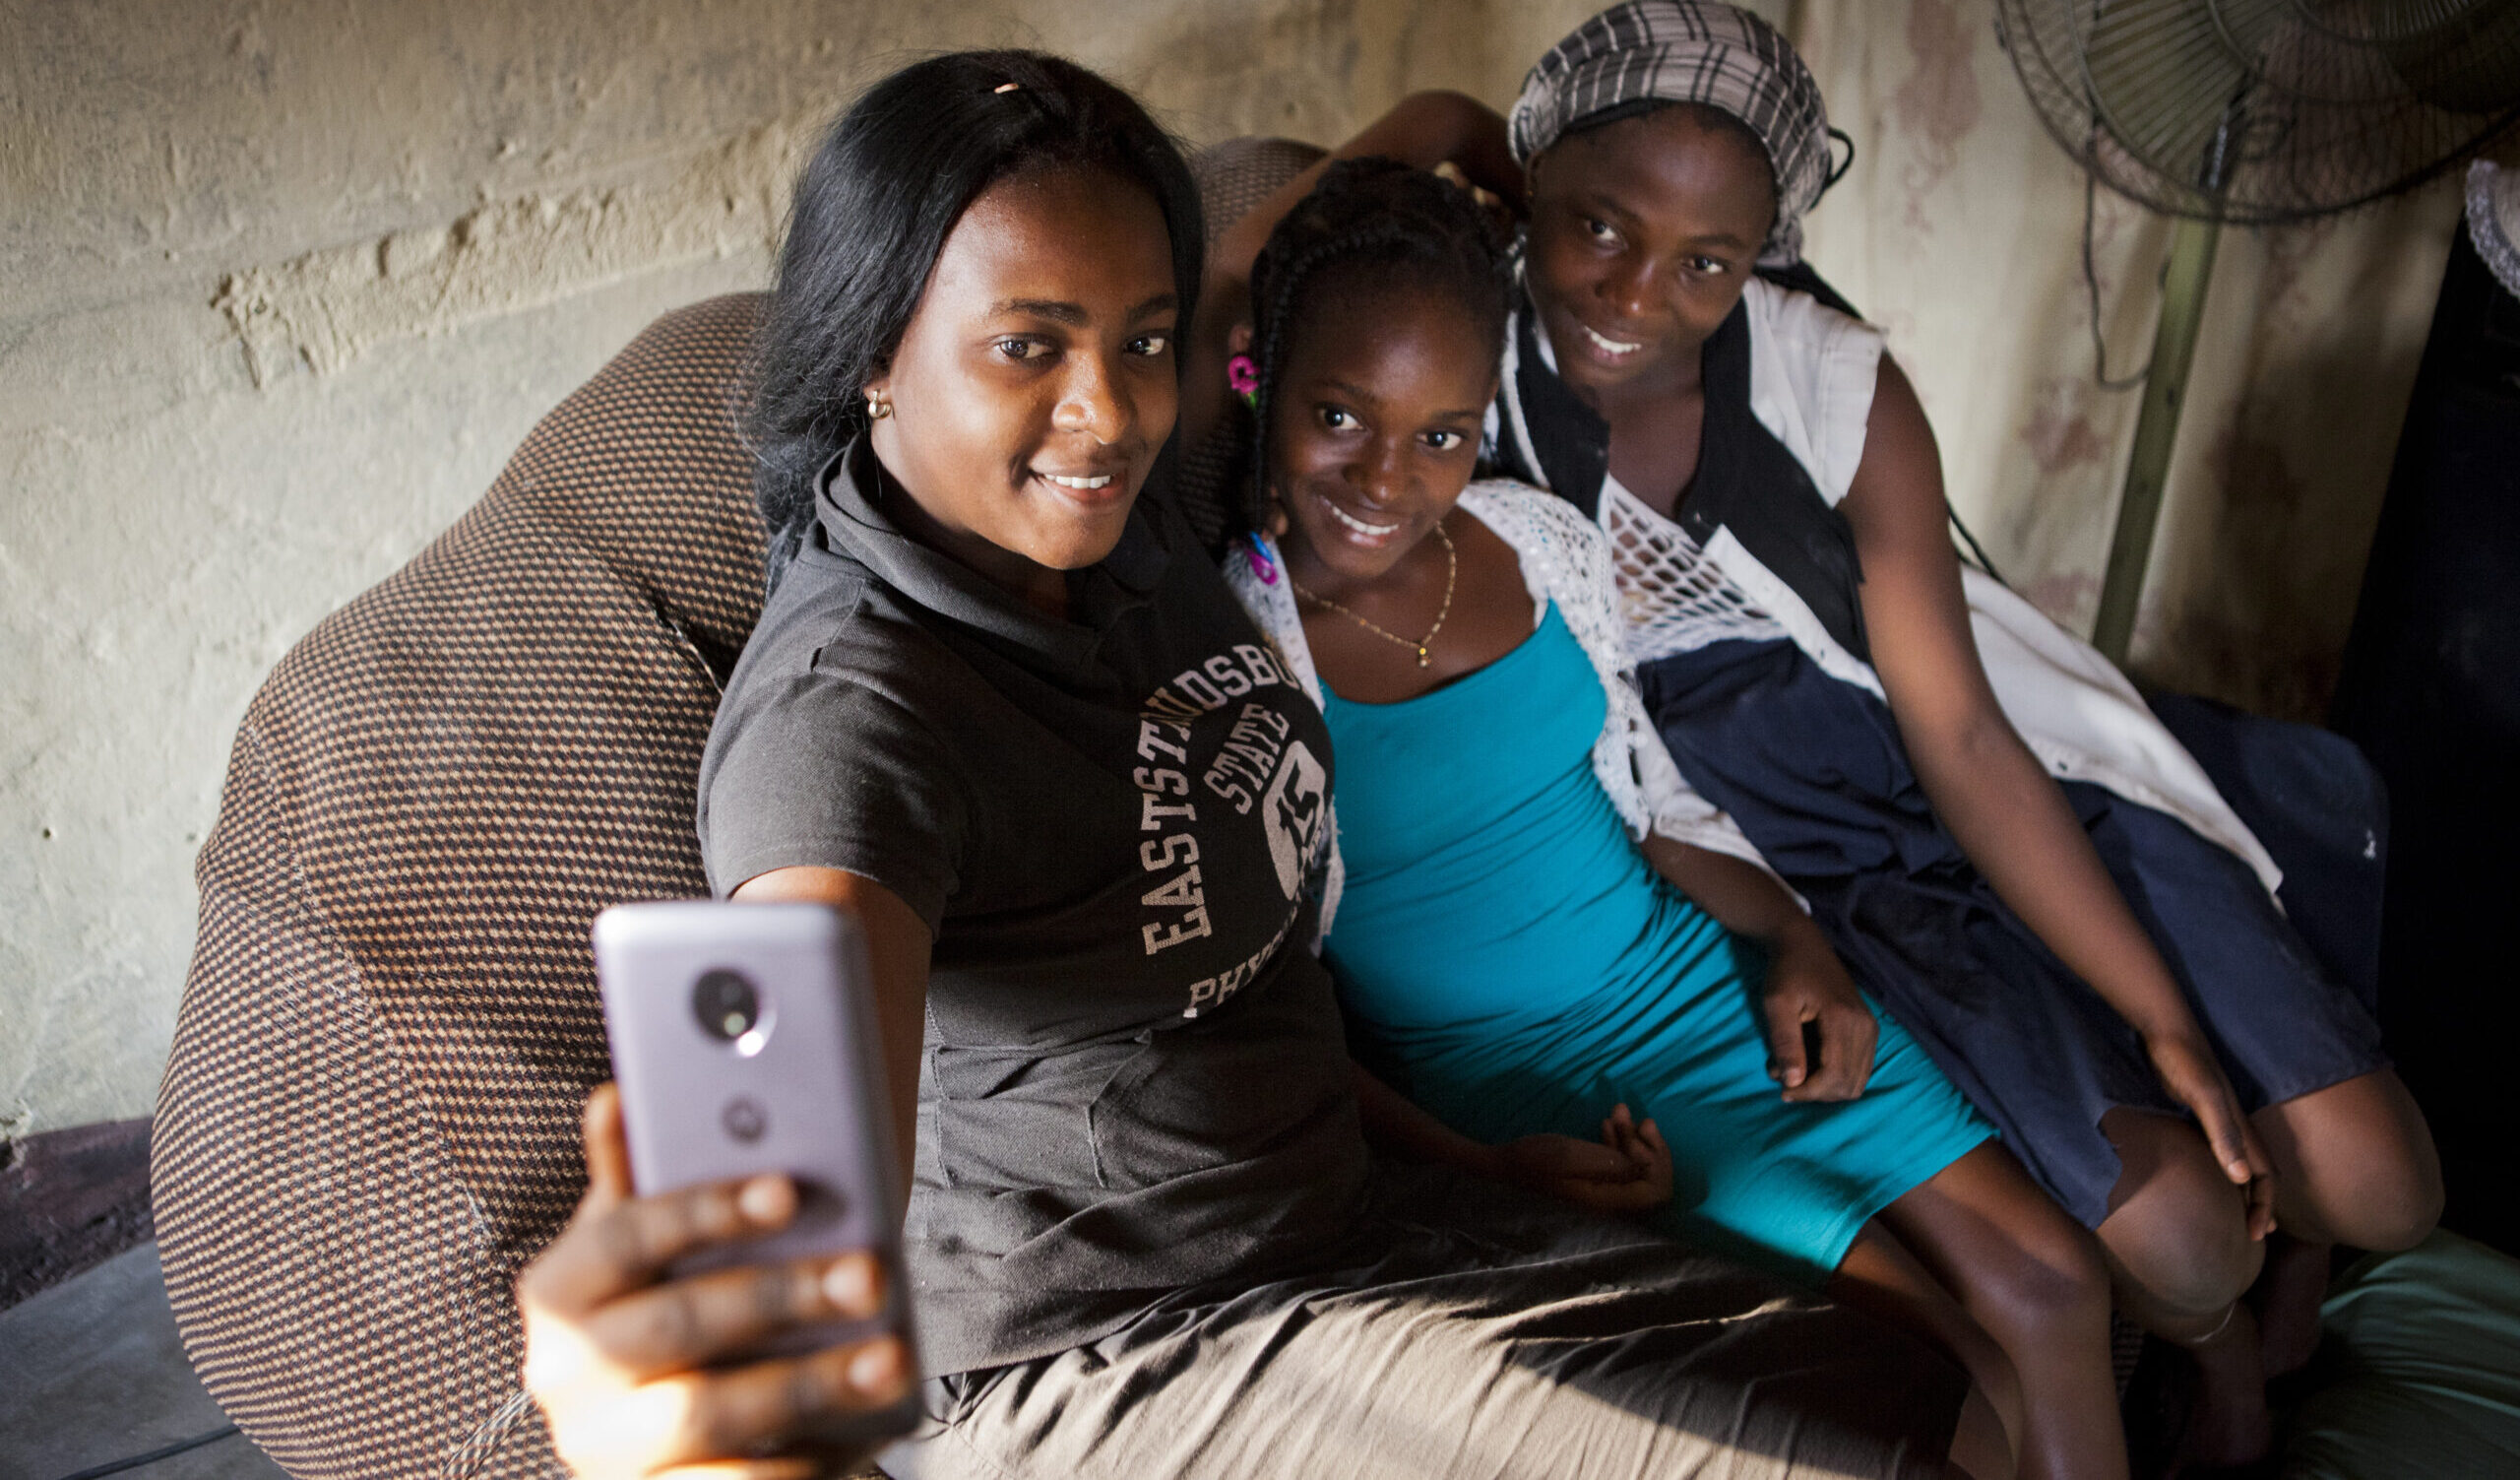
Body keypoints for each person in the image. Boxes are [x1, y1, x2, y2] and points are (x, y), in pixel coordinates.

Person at [511, 48, 2008, 1480]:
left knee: (1931, 1393)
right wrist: (717, 1325)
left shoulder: (1131, 533)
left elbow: (1238, 1001)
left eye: (1142, 343)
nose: (1104, 414)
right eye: (1028, 346)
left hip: (1340, 1229)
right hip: (1096, 1356)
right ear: (873, 357)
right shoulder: (854, 705)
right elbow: (802, 1020)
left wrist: (1454, 135)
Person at [1268, 4, 2439, 1465]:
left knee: (2383, 1186)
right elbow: (1270, 295)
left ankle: (2282, 1236)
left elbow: (1961, 735)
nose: (1636, 290)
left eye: (1705, 260)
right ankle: (2224, 1344)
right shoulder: (1457, 364)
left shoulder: (1811, 380)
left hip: (1953, 757)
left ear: (1759, 249)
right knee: (2171, 1250)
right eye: (1599, 228)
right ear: (1534, 188)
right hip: (1772, 822)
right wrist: (1447, 122)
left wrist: (2161, 1019)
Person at [1202, 156, 2123, 1480]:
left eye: (1441, 434)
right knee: (1953, 1379)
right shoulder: (1235, 649)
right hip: (1530, 1081)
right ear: (1261, 384)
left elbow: (1654, 802)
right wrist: (1478, 1166)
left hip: (1698, 978)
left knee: (2052, 1285)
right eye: (1339, 415)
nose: (1389, 478)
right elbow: (1258, 1005)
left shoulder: (1533, 541)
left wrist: (1801, 946)